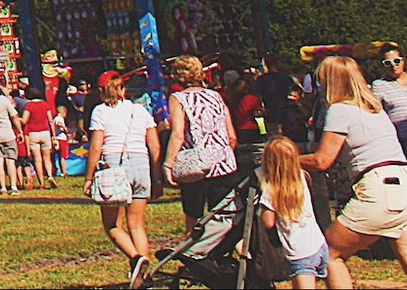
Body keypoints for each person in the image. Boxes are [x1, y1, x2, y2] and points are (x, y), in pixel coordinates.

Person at [303, 53, 407, 289]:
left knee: (330, 256)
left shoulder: (339, 110)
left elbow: (322, 160)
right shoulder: (374, 109)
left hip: (380, 189)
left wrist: (283, 159)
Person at [86, 68, 161, 289]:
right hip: (141, 165)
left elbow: (96, 146)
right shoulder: (141, 111)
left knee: (112, 225)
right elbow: (154, 145)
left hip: (115, 167)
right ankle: (144, 278)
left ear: (101, 91)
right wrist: (157, 178)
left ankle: (137, 259)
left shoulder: (100, 112)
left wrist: (89, 177)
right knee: (137, 224)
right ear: (123, 89)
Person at [162, 54, 241, 227]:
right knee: (224, 217)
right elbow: (232, 136)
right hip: (223, 164)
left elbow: (178, 135)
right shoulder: (216, 96)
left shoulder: (178, 99)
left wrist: (168, 164)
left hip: (196, 164)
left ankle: (194, 243)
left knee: (193, 215)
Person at [259, 135, 331, 289]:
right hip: (319, 244)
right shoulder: (302, 177)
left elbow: (268, 222)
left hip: (300, 255)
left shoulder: (270, 190)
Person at [23, 85, 60, 183]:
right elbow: (50, 121)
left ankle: (41, 182)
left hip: (33, 133)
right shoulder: (45, 104)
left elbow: (24, 120)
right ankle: (50, 176)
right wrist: (53, 135)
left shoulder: (29, 105)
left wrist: (16, 118)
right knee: (47, 157)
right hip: (45, 132)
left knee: (37, 159)